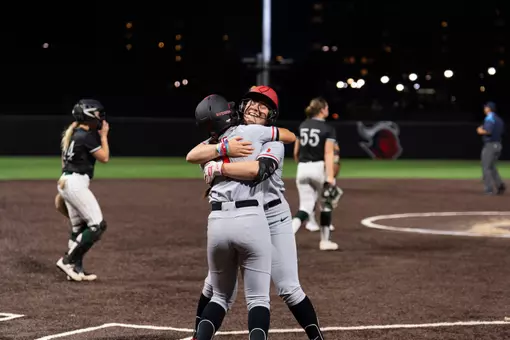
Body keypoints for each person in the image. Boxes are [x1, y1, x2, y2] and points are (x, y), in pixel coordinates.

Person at [188, 86, 326, 340]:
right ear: (240, 106)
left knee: (289, 288)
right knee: (214, 285)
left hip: (273, 216)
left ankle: (317, 337)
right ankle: (197, 333)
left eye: (263, 105)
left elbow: (259, 169)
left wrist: (218, 167)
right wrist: (222, 149)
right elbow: (194, 154)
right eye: (252, 101)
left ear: (270, 114)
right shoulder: (225, 137)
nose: (255, 107)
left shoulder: (272, 141)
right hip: (249, 217)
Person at [55, 99, 110, 282]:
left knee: (79, 227)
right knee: (97, 225)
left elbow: (64, 163)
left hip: (66, 180)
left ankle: (76, 269)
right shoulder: (86, 136)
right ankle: (67, 261)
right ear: (89, 116)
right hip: (75, 182)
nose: (100, 118)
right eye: (97, 114)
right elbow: (104, 158)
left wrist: (66, 188)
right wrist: (103, 136)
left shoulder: (72, 134)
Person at [292, 97, 341, 251]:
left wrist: (301, 165)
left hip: (302, 167)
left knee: (305, 207)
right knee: (326, 205)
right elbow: (328, 154)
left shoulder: (303, 125)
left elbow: (296, 152)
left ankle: (286, 236)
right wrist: (331, 176)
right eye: (326, 107)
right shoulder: (328, 128)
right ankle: (325, 241)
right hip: (319, 168)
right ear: (322, 110)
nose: (328, 110)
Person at [305, 141, 342, 232]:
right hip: (313, 168)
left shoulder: (329, 135)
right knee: (312, 196)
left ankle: (326, 223)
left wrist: (332, 174)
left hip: (326, 170)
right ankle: (311, 221)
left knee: (327, 197)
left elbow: (336, 153)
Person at [477, 101, 505, 195]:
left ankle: (488, 189)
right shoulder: (499, 119)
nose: (484, 109)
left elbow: (488, 131)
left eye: (486, 107)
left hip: (490, 145)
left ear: (489, 108)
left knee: (486, 167)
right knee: (492, 166)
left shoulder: (490, 118)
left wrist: (480, 130)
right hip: (498, 145)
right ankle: (500, 185)